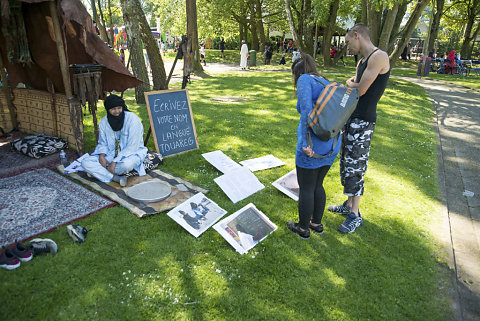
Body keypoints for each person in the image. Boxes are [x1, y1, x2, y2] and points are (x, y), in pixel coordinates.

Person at [328, 23, 390, 234]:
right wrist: (351, 82)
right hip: (351, 118)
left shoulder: (378, 57)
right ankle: (348, 205)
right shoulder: (362, 61)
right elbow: (355, 84)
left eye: (348, 43)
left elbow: (361, 89)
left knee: (356, 166)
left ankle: (355, 214)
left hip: (364, 121)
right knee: (346, 163)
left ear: (357, 36)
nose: (347, 47)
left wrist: (350, 82)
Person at [286, 54, 341, 239]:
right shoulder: (324, 81)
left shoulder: (304, 80)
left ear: (297, 72)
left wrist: (304, 144)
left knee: (307, 187)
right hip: (331, 143)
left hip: (312, 144)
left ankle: (303, 228)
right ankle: (316, 223)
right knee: (318, 184)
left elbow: (306, 114)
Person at [82, 94, 148, 187]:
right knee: (85, 162)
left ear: (122, 107)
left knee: (125, 165)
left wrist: (114, 162)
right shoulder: (104, 122)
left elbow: (132, 146)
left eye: (119, 108)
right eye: (113, 109)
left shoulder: (132, 119)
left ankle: (98, 173)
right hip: (111, 153)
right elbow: (102, 143)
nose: (117, 111)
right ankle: (115, 178)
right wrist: (101, 156)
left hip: (130, 154)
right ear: (108, 110)